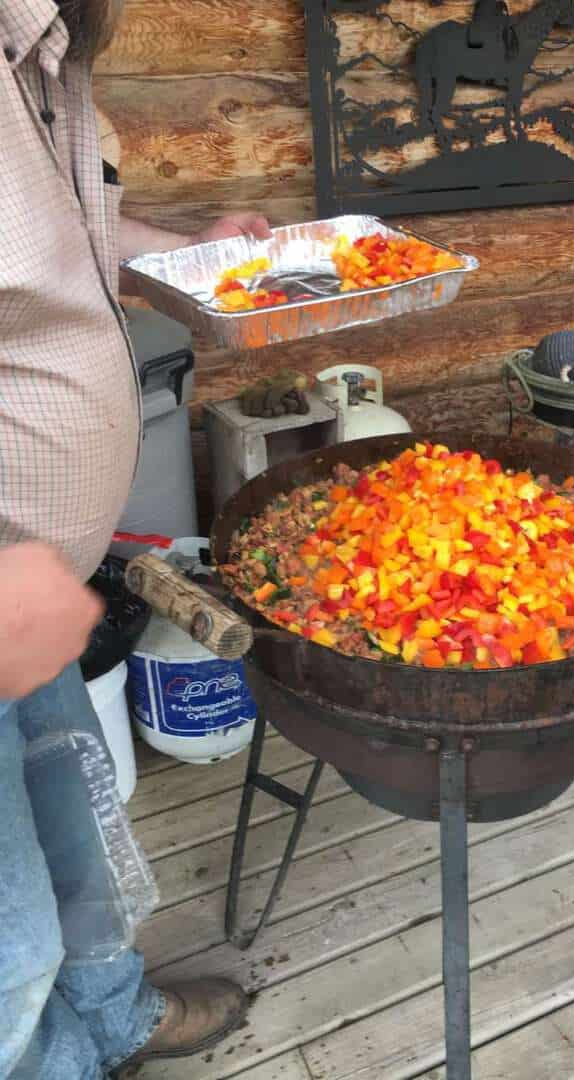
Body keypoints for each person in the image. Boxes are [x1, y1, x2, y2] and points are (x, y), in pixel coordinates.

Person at [1, 0, 272, 1075]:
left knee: (77, 841)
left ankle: (111, 1014)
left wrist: (184, 253)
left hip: (35, 567)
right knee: (7, 937)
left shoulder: (42, 51)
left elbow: (57, 251)